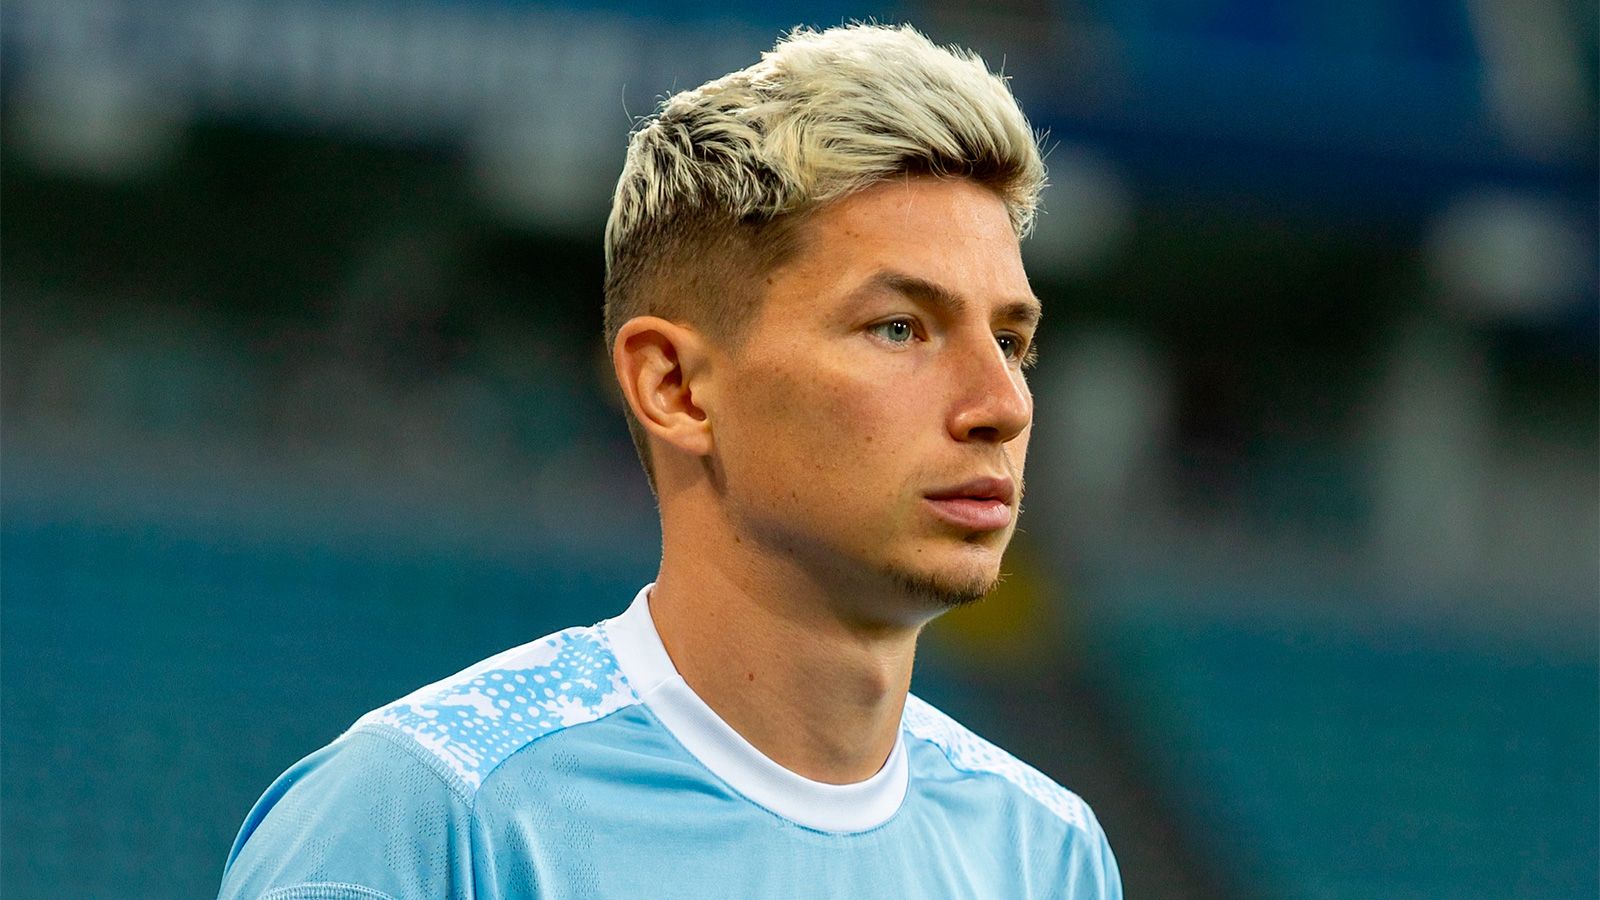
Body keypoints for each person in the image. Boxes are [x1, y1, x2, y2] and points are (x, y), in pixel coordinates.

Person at [218, 23, 1121, 899]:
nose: (1001, 405)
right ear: (676, 387)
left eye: (1011, 342)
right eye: (898, 328)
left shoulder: (1048, 855)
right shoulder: (422, 822)